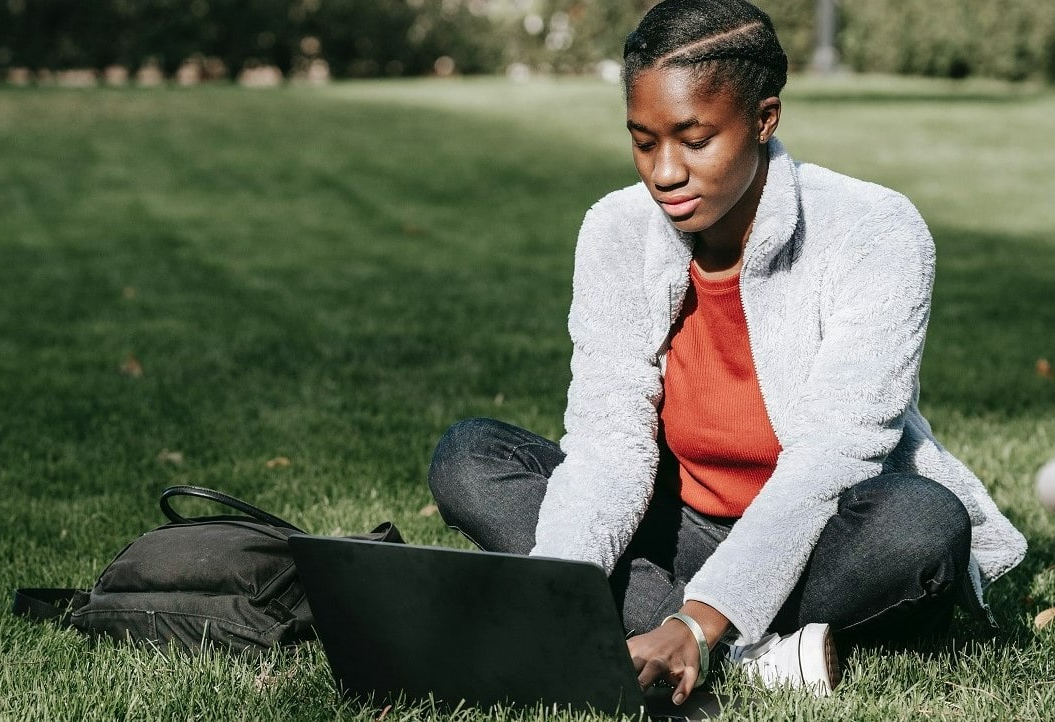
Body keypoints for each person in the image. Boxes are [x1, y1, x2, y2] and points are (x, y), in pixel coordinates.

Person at [426, 0, 1027, 706]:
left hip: (826, 534)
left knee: (921, 524)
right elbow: (607, 441)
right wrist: (558, 589)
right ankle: (762, 654)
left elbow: (835, 455)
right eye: (643, 141)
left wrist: (699, 619)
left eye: (693, 138)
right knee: (470, 457)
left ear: (764, 119)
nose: (664, 171)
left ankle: (686, 636)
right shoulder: (615, 230)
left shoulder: (875, 230)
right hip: (680, 521)